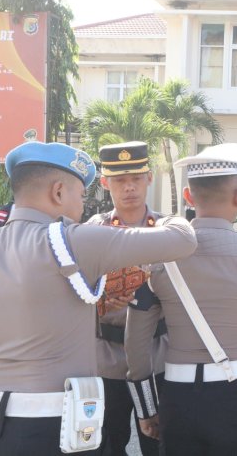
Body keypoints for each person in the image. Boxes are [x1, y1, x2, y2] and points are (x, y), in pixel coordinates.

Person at [0, 142, 197, 456]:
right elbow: (183, 239)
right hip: (59, 425)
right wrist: (172, 219)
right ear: (58, 192)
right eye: (81, 195)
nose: (83, 206)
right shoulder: (74, 240)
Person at [124, 143, 237, 455]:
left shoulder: (156, 260)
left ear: (189, 197)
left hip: (178, 398)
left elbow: (135, 342)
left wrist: (146, 409)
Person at [85, 141, 166, 456]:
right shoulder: (92, 231)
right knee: (107, 444)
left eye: (135, 177)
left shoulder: (167, 230)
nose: (128, 187)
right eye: (119, 180)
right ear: (106, 183)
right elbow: (72, 293)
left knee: (159, 444)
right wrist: (99, 299)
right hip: (107, 360)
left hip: (156, 357)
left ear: (149, 177)